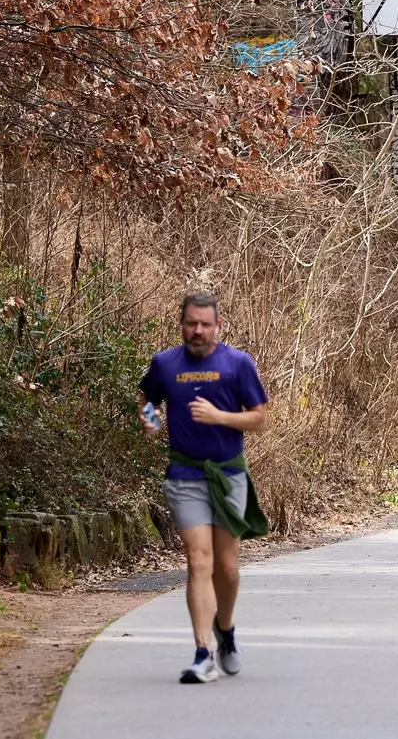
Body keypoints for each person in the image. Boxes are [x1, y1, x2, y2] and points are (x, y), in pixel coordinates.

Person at [139, 291, 269, 685]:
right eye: (190, 323)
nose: (197, 330)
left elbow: (259, 418)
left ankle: (225, 630)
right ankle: (202, 653)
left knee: (226, 567)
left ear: (218, 327)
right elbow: (148, 398)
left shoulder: (237, 364)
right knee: (198, 560)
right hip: (184, 474)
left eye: (204, 324)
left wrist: (219, 417)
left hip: (228, 474)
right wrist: (151, 420)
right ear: (182, 324)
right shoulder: (165, 363)